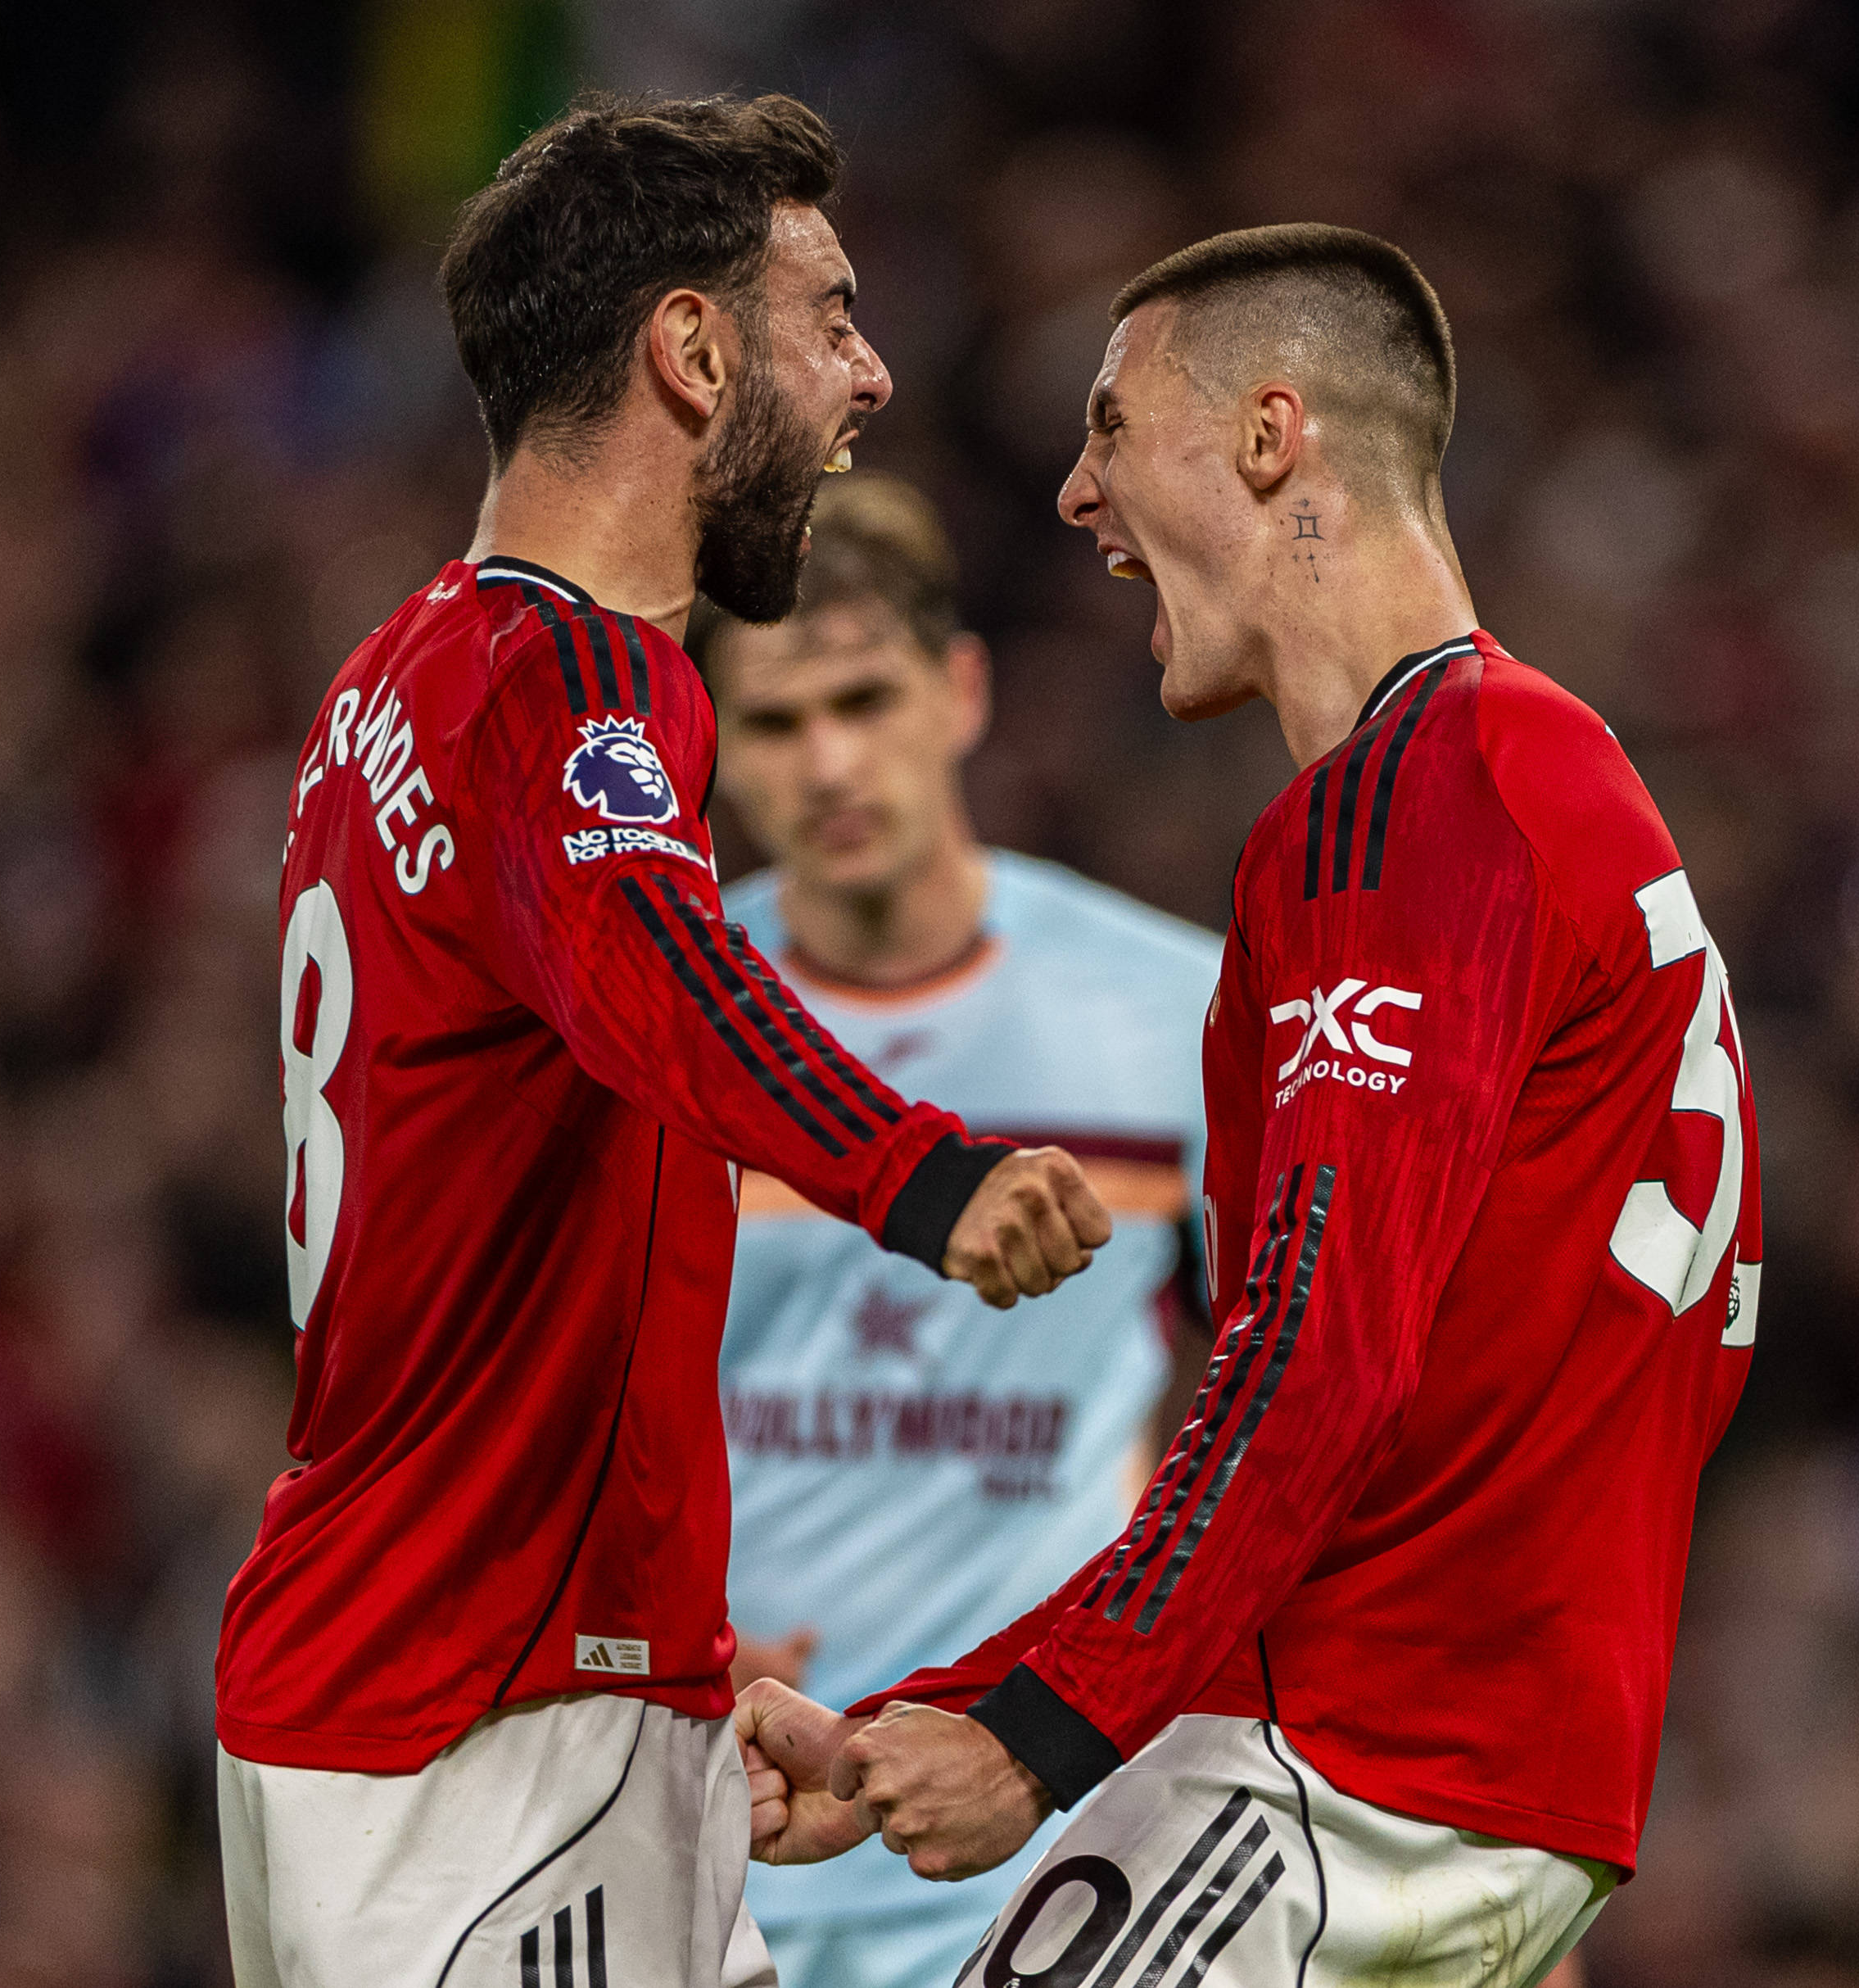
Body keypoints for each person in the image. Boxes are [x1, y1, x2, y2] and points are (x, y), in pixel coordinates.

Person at [739, 224, 1761, 1988]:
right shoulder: (1556, 782)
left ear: (1271, 438)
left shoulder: (1403, 806)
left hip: (1341, 1771)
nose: (1072, 493)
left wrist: (1030, 1737)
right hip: (1484, 1777)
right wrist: (953, 1705)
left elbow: (1309, 1354)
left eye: (1113, 427)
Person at [211, 94, 1116, 1988]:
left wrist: (690, 1689)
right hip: (486, 1734)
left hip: (481, 1690)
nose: (869, 374)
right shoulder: (576, 672)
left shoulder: (400, 673)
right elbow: (659, 975)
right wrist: (924, 1172)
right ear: (692, 353)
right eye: (829, 315)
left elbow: (521, 1214)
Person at [692, 472, 1219, 1988]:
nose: (831, 762)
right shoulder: (667, 1032)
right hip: (722, 1811)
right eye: (778, 725)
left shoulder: (1175, 1017)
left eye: (865, 698)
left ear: (961, 689)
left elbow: (1288, 1399)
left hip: (1061, 1843)